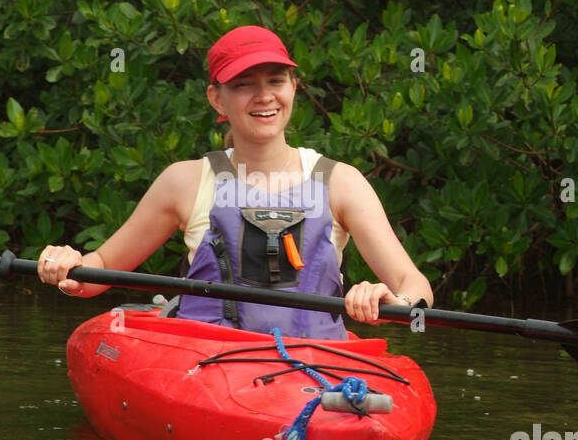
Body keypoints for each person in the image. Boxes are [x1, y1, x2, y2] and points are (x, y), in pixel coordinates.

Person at [37, 25, 433, 337]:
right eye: (244, 85)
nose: (264, 96)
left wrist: (392, 300)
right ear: (216, 98)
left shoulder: (341, 182)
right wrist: (68, 265)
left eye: (276, 81)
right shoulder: (184, 181)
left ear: (293, 88)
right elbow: (100, 269)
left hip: (312, 366)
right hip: (209, 363)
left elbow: (415, 286)